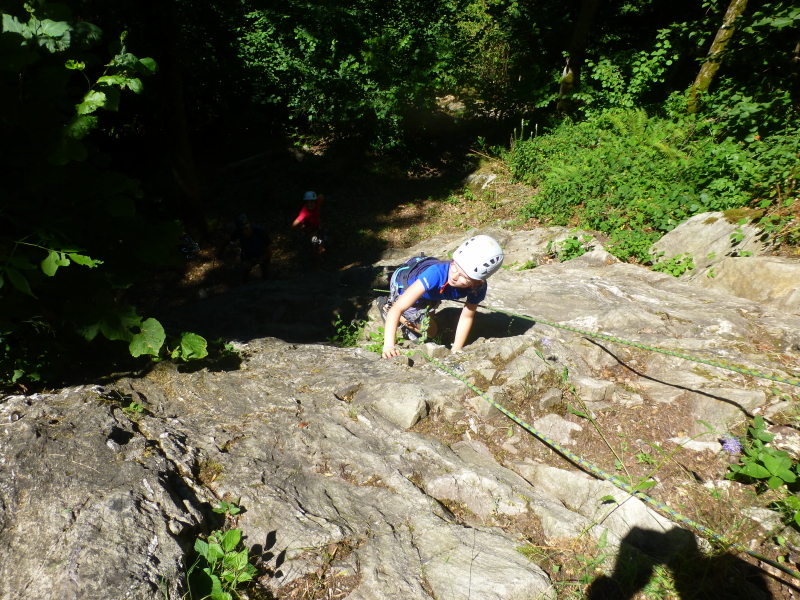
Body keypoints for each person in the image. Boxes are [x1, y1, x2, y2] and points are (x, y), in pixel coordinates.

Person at [378, 235, 504, 359]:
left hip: (431, 293)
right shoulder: (436, 274)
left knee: (429, 320)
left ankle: (414, 317)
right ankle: (387, 307)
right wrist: (389, 346)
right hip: (405, 284)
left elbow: (466, 317)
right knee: (431, 332)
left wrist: (456, 349)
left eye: (464, 277)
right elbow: (397, 308)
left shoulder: (478, 288)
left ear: (477, 281)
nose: (455, 277)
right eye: (454, 267)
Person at [228, 213, 272, 282]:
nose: (244, 232)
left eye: (246, 229)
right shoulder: (237, 232)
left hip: (262, 253)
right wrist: (220, 253)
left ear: (250, 226)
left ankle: (266, 282)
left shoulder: (261, 232)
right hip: (247, 254)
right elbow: (227, 240)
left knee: (265, 270)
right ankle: (244, 283)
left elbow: (268, 253)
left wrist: (254, 262)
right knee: (245, 269)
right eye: (242, 230)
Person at [292, 191, 326, 256]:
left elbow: (321, 196)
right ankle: (316, 257)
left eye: (311, 202)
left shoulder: (317, 203)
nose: (309, 204)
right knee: (314, 244)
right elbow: (293, 226)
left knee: (319, 237)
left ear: (315, 201)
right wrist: (303, 229)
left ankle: (319, 249)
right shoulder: (304, 213)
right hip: (311, 231)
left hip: (317, 226)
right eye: (307, 202)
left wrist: (319, 204)